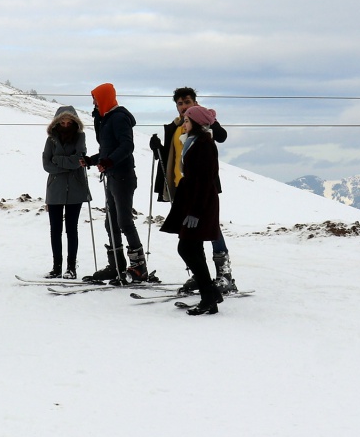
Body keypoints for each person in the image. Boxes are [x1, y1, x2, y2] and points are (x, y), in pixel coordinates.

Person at [150, 87, 236, 292]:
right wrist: (157, 148)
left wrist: (210, 121)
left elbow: (222, 136)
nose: (183, 106)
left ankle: (224, 275)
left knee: (211, 228)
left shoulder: (202, 122)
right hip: (181, 186)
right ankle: (201, 275)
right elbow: (171, 154)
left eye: (187, 102)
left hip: (203, 185)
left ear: (195, 102)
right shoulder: (176, 126)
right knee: (191, 235)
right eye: (179, 103)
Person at [81, 83, 150, 284]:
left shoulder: (119, 118)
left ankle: (138, 269)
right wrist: (93, 160)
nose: (93, 102)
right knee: (110, 222)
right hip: (113, 176)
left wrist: (108, 161)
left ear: (103, 98)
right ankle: (117, 266)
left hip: (123, 176)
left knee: (124, 222)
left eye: (95, 98)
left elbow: (127, 145)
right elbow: (107, 149)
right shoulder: (106, 119)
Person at [161, 104, 224, 315]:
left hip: (201, 203)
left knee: (186, 248)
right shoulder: (194, 141)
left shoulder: (204, 144)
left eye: (187, 121)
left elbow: (205, 179)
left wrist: (195, 212)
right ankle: (210, 294)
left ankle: (209, 296)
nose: (184, 124)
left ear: (196, 123)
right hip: (193, 200)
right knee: (193, 249)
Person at [41, 105, 92, 278]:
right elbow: (46, 165)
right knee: (55, 229)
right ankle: (56, 267)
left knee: (72, 229)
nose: (65, 123)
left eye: (68, 120)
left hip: (75, 188)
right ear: (56, 122)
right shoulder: (51, 140)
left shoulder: (80, 136)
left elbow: (79, 159)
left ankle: (71, 268)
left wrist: (58, 161)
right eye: (62, 121)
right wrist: (68, 164)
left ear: (74, 121)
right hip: (55, 189)